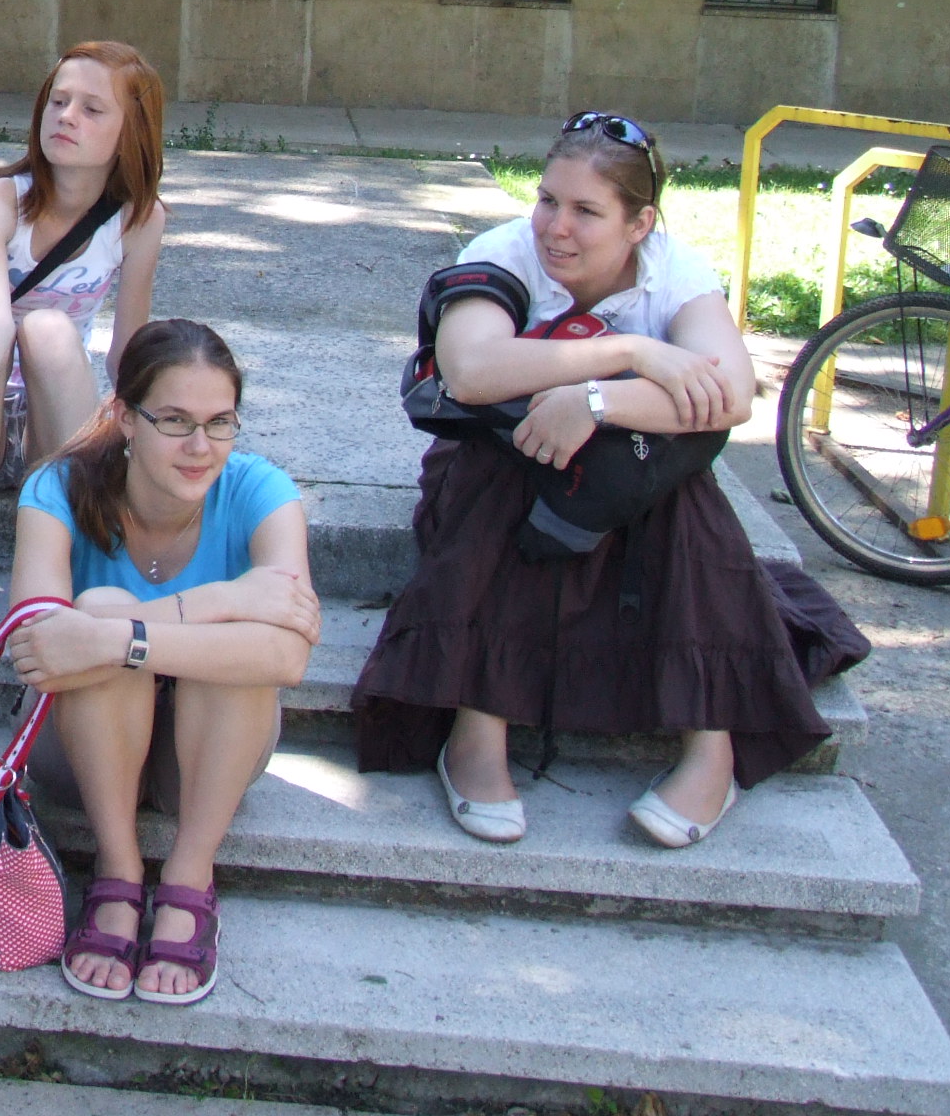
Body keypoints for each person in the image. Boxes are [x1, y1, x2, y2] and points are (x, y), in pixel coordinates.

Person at [351, 111, 823, 850]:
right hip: (493, 469)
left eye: (586, 211)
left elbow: (729, 397)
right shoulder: (504, 254)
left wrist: (593, 404)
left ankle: (712, 746)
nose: (556, 227)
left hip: (628, 473)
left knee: (679, 485)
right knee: (523, 465)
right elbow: (471, 371)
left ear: (641, 224)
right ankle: (478, 727)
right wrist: (630, 354)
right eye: (547, 200)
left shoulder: (675, 272)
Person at [5, 319, 315, 1005]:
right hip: (77, 750)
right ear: (125, 417)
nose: (200, 447)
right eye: (174, 421)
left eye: (220, 422)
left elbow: (288, 655)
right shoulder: (58, 487)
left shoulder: (261, 490)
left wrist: (120, 639)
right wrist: (225, 599)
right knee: (107, 603)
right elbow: (35, 645)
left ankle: (189, 878)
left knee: (215, 654)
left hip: (205, 758)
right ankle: (117, 874)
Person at [0, 41, 169, 617]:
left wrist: (148, 435)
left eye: (92, 108)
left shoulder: (139, 220)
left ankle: (50, 545)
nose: (66, 117)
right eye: (58, 101)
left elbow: (127, 349)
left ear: (132, 132)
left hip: (52, 415)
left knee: (50, 330)